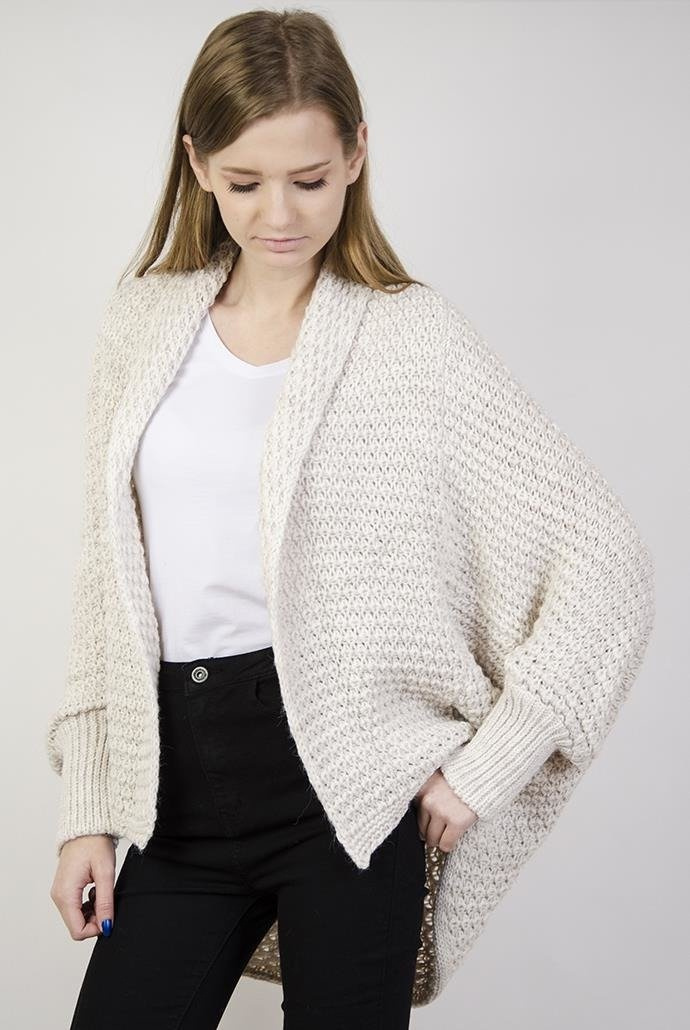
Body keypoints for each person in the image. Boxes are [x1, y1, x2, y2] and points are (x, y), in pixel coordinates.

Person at [46, 9, 655, 1030]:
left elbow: (608, 561)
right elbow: (106, 585)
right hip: (178, 785)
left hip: (349, 797)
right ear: (197, 164)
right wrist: (87, 814)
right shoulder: (141, 321)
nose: (279, 213)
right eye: (246, 182)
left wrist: (490, 763)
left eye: (311, 178)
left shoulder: (412, 336)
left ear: (357, 155)